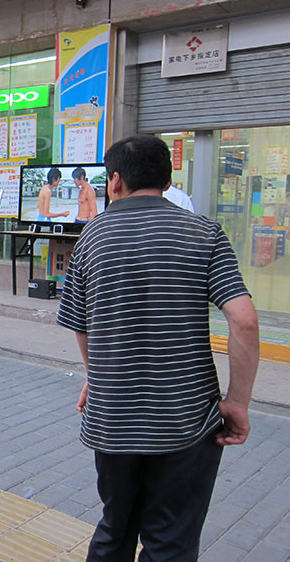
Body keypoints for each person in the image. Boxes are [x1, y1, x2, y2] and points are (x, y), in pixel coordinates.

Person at [57, 135, 259, 561]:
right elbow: (243, 319)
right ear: (167, 181)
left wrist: (97, 377)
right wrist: (237, 402)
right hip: (188, 421)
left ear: (114, 182)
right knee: (171, 542)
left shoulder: (91, 238)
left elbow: (81, 325)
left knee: (115, 529)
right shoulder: (204, 232)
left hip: (113, 418)